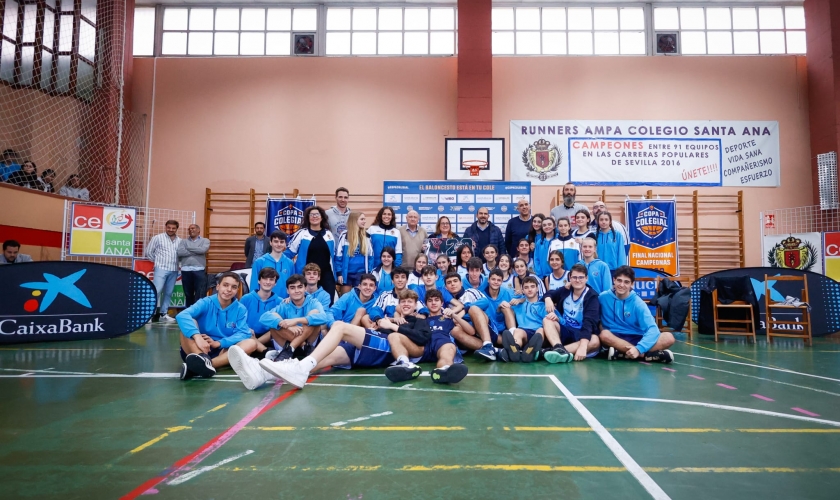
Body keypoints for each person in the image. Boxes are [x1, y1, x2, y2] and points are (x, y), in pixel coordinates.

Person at [250, 316, 398, 390]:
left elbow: (412, 337)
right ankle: (264, 374)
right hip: (373, 338)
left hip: (388, 342)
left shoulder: (412, 320)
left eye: (409, 301)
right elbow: (371, 314)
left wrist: (392, 325)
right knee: (322, 358)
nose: (406, 304)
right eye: (404, 301)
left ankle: (300, 369)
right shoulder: (389, 302)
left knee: (340, 326)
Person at [176, 271, 257, 380]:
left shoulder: (240, 309)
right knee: (189, 323)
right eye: (225, 285)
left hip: (221, 351)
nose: (229, 289)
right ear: (218, 287)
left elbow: (243, 333)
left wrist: (219, 343)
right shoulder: (206, 302)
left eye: (233, 287)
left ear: (237, 290)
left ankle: (204, 365)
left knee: (251, 343)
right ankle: (201, 358)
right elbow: (182, 315)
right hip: (198, 348)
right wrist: (197, 337)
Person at [384, 289, 468, 384]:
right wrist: (393, 319)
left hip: (442, 344)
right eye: (430, 301)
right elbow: (400, 317)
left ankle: (444, 371)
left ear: (442, 303)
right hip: (422, 348)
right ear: (426, 304)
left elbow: (471, 331)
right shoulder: (419, 319)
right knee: (394, 336)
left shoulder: (448, 319)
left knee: (448, 347)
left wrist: (455, 316)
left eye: (436, 300)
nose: (433, 303)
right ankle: (405, 365)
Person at [599, 266, 675, 363]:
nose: (622, 285)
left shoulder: (638, 303)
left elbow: (652, 329)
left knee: (669, 338)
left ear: (632, 284)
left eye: (626, 282)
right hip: (615, 338)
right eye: (619, 280)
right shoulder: (602, 298)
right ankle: (647, 355)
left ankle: (625, 353)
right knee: (604, 335)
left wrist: (638, 348)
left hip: (637, 338)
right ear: (614, 280)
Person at [259, 274, 328, 361]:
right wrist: (287, 325)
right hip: (287, 343)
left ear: (305, 288)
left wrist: (296, 320)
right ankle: (302, 346)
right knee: (274, 319)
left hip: (310, 344)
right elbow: (263, 318)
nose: (296, 291)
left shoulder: (313, 302)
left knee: (314, 313)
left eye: (300, 287)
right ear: (287, 291)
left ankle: (291, 348)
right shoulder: (285, 304)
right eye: (292, 288)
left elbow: (324, 318)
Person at [541, 263, 601, 363]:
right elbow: (550, 293)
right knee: (547, 320)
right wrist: (548, 299)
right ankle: (558, 347)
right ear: (570, 278)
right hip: (565, 330)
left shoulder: (592, 297)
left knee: (595, 340)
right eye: (574, 277)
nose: (577, 280)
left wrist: (583, 346)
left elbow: (589, 323)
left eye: (581, 277)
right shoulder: (566, 290)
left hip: (581, 333)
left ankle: (551, 352)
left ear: (586, 278)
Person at [286, 205, 336, 305]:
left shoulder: (329, 234)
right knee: (303, 302)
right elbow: (289, 253)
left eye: (317, 214)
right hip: (306, 275)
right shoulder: (301, 234)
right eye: (311, 215)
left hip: (326, 274)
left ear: (322, 217)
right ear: (308, 218)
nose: (314, 217)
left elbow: (334, 256)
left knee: (328, 302)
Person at [442, 272, 497, 360]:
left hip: (485, 328)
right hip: (468, 333)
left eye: (455, 281)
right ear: (446, 287)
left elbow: (485, 302)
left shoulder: (471, 292)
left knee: (473, 309)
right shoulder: (446, 303)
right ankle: (494, 350)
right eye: (449, 282)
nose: (452, 284)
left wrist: (465, 309)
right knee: (454, 330)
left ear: (461, 283)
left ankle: (488, 344)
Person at [498, 276, 546, 363]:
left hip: (539, 333)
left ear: (537, 289)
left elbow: (559, 320)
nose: (529, 289)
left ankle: (530, 350)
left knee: (540, 331)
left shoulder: (544, 305)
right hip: (524, 332)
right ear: (522, 290)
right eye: (526, 287)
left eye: (532, 286)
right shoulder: (518, 304)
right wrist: (502, 305)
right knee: (518, 331)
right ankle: (515, 349)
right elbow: (502, 310)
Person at [239, 267, 282, 353]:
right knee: (245, 332)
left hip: (268, 336)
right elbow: (238, 319)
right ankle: (264, 351)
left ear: (275, 283)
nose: (268, 282)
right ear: (259, 281)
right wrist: (247, 328)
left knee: (277, 329)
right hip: (249, 334)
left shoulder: (280, 301)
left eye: (271, 279)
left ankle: (255, 346)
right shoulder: (246, 298)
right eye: (265, 279)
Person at [146, 219, 181, 322]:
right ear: (165, 227)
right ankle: (149, 315)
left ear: (176, 229)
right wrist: (158, 262)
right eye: (169, 227)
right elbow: (149, 252)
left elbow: (181, 255)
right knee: (156, 291)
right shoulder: (157, 238)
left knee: (168, 292)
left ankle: (163, 314)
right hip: (161, 269)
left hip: (174, 270)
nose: (171, 230)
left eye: (173, 228)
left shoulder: (180, 241)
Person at [335, 211, 373, 295]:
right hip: (347, 273)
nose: (364, 221)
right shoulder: (344, 235)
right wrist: (339, 273)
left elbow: (371, 256)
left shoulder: (367, 236)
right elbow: (338, 256)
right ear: (354, 220)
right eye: (362, 219)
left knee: (359, 299)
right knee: (345, 299)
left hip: (361, 273)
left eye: (364, 219)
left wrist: (369, 273)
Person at [250, 230, 294, 298]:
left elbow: (292, 284)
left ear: (285, 244)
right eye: (276, 241)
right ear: (270, 242)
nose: (279, 244)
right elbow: (254, 285)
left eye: (282, 242)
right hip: (264, 301)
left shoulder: (290, 263)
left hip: (285, 302)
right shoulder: (259, 262)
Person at [177, 224, 211, 308]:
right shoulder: (183, 241)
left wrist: (188, 248)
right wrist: (196, 250)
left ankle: (199, 311)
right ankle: (190, 312)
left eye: (193, 228)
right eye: (189, 229)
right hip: (186, 270)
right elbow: (180, 252)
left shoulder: (205, 240)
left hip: (199, 270)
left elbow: (202, 250)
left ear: (198, 230)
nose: (191, 230)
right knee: (188, 294)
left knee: (200, 294)